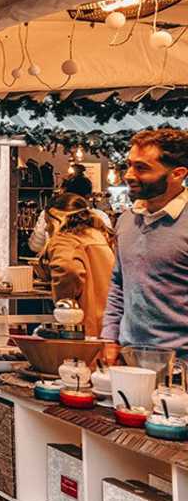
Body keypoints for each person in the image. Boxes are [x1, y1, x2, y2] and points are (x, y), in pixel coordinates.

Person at [103, 129, 188, 361]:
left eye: (142, 168)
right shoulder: (128, 220)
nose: (129, 175)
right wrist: (110, 338)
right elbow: (119, 284)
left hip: (181, 365)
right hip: (129, 358)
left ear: (177, 173)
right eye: (129, 165)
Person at [40, 193, 114, 338]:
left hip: (83, 325)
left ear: (55, 219)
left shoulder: (65, 240)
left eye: (47, 222)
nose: (46, 228)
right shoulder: (103, 235)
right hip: (111, 323)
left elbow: (68, 269)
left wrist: (65, 306)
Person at [28, 165, 112, 253]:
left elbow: (35, 246)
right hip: (91, 265)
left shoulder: (50, 213)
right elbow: (108, 247)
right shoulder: (100, 216)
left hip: (55, 262)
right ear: (88, 196)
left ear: (64, 193)